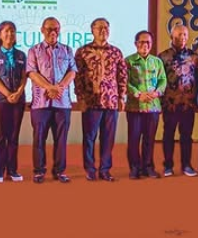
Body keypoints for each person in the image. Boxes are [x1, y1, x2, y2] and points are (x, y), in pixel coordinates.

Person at [74, 18, 127, 181]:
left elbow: (122, 75)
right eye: (100, 28)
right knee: (89, 137)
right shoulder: (83, 51)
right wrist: (80, 98)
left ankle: (105, 169)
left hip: (111, 101)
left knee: (108, 138)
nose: (103, 30)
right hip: (91, 101)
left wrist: (122, 96)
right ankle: (90, 169)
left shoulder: (116, 52)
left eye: (106, 27)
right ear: (92, 30)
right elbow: (78, 77)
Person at [26, 17, 77, 183]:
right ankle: (39, 171)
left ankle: (60, 171)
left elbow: (72, 72)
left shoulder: (67, 50)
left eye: (56, 29)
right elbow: (32, 73)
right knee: (39, 138)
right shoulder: (34, 51)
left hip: (62, 103)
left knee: (61, 140)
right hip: (41, 103)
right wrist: (49, 88)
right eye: (49, 29)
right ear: (42, 30)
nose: (53, 32)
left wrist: (60, 87)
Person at [158, 24, 198, 177]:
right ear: (172, 37)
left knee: (186, 136)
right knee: (168, 135)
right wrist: (160, 102)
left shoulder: (195, 57)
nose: (182, 38)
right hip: (170, 103)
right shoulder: (162, 57)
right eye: (178, 35)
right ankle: (168, 166)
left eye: (184, 35)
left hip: (188, 104)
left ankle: (187, 165)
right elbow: (159, 80)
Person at [0, 21, 27, 183]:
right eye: (7, 31)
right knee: (0, 136)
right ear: (0, 34)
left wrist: (18, 93)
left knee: (14, 136)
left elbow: (24, 77)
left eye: (13, 31)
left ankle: (12, 170)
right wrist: (8, 94)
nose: (10, 34)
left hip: (18, 100)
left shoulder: (21, 55)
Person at [125, 30, 167, 179]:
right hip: (135, 107)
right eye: (142, 42)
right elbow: (125, 82)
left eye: (148, 42)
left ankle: (148, 167)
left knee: (149, 139)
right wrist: (138, 94)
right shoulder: (128, 61)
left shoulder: (157, 61)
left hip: (153, 106)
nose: (145, 45)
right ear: (136, 44)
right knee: (134, 139)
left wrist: (157, 92)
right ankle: (134, 168)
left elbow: (163, 80)